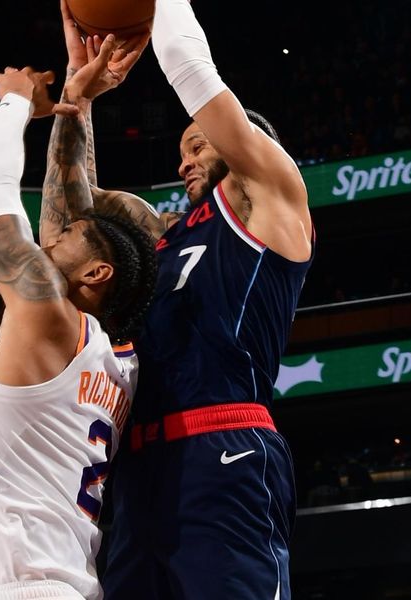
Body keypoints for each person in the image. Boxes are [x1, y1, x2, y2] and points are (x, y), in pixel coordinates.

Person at [42, 1, 313, 597]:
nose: (184, 158)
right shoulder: (161, 229)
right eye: (184, 149)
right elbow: (65, 230)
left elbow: (193, 68)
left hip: (223, 447)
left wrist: (159, 3)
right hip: (137, 472)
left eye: (198, 144)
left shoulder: (270, 200)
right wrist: (77, 96)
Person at [0, 54, 157, 600]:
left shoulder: (48, 316)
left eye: (65, 239)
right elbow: (66, 217)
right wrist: (75, 102)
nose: (50, 238)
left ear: (96, 272)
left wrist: (16, 99)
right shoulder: (122, 364)